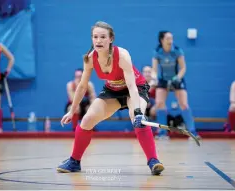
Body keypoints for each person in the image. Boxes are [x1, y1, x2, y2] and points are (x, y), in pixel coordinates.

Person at [57, 21, 164, 176]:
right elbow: (82, 86)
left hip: (135, 88)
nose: (98, 40)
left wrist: (138, 111)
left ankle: (153, 161)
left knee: (137, 119)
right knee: (86, 121)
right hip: (112, 91)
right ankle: (74, 161)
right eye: (95, 37)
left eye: (102, 37)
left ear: (111, 39)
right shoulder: (89, 58)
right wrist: (72, 110)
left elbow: (132, 87)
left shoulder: (122, 55)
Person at [152, 31, 199, 139]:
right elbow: (154, 69)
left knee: (183, 104)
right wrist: (154, 78)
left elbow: (183, 68)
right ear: (162, 40)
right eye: (168, 38)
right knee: (159, 103)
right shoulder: (157, 52)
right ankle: (162, 133)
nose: (170, 41)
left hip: (177, 79)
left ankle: (192, 132)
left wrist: (177, 78)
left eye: (171, 38)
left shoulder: (177, 51)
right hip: (163, 80)